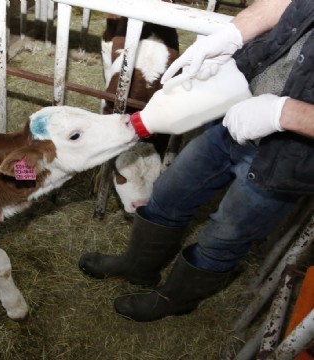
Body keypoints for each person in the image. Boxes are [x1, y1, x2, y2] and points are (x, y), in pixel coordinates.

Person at [79, 0, 314, 322]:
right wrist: (232, 34)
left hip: (294, 156)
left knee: (224, 236)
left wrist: (289, 114)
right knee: (168, 193)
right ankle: (139, 266)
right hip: (232, 109)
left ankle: (175, 298)